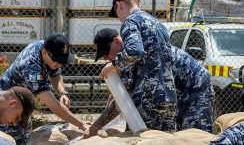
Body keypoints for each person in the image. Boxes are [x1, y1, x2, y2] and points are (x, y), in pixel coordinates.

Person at [86, 28, 214, 138]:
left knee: (195, 136)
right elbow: (123, 100)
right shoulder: (125, 60)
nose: (106, 58)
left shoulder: (135, 53)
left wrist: (95, 127)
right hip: (177, 94)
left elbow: (119, 104)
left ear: (117, 41)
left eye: (106, 53)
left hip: (196, 89)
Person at [98, 0, 177, 132]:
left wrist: (114, 64)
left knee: (141, 139)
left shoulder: (131, 21)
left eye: (116, 13)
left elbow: (135, 51)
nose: (119, 18)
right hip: (169, 96)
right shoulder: (157, 23)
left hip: (148, 97)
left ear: (119, 5)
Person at [0, 33, 89, 144]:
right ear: (45, 52)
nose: (58, 64)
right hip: (7, 106)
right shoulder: (33, 67)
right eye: (56, 60)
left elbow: (55, 74)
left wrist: (62, 92)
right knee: (11, 139)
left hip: (22, 103)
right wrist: (82, 125)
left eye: (61, 61)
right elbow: (53, 105)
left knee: (26, 134)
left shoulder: (47, 48)